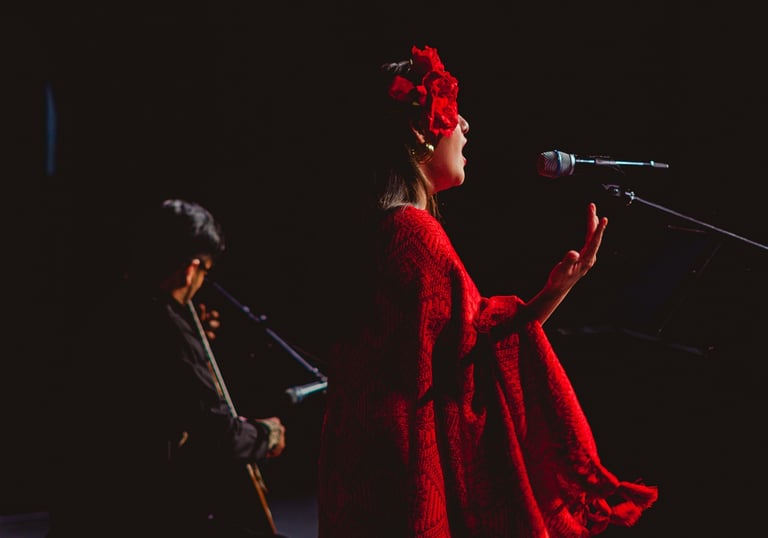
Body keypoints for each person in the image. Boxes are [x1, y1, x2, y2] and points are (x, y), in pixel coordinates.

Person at [316, 45, 658, 537]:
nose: (466, 127)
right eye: (453, 114)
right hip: (404, 470)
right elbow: (473, 361)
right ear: (419, 131)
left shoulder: (379, 229)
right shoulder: (413, 233)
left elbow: (466, 349)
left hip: (368, 468)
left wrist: (554, 291)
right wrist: (551, 295)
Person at [47, 198, 287, 538]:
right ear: (190, 268)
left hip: (80, 509)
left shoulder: (107, 307)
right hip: (137, 516)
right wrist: (266, 434)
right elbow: (219, 435)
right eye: (205, 271)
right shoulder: (166, 328)